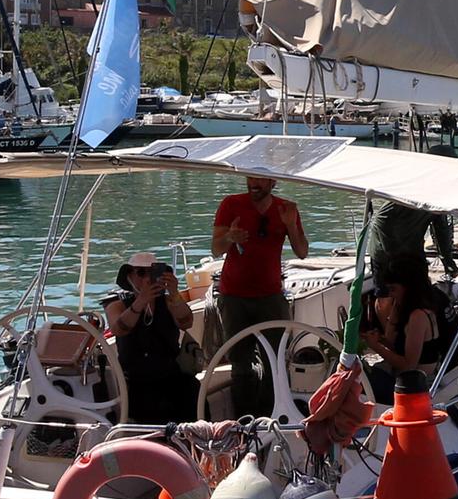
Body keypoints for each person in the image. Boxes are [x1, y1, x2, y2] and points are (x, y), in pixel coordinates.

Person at [211, 173, 309, 416]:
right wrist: (230, 238)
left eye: (261, 179)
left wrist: (290, 225)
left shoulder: (286, 208)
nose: (254, 183)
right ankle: (245, 422)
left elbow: (302, 252)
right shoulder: (231, 204)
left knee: (275, 361)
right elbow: (215, 249)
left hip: (270, 296)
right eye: (250, 177)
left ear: (273, 181)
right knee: (240, 364)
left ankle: (272, 417)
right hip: (234, 295)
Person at [105, 251, 199, 422]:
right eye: (141, 273)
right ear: (130, 276)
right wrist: (141, 301)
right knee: (149, 403)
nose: (147, 278)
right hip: (135, 378)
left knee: (191, 389)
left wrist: (174, 293)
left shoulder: (169, 302)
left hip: (170, 374)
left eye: (152, 273)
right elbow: (119, 329)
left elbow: (186, 322)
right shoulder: (116, 305)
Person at [360, 272, 450, 404]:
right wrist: (381, 340)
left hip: (416, 388)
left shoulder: (418, 316)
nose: (390, 294)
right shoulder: (418, 310)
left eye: (393, 289)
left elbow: (408, 365)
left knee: (357, 381)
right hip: (408, 379)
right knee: (360, 374)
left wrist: (375, 347)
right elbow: (406, 350)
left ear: (408, 289)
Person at [363, 198, 458, 292]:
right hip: (384, 252)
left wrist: (448, 264)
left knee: (420, 292)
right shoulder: (404, 197)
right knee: (386, 294)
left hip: (412, 250)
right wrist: (396, 258)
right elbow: (382, 219)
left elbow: (442, 234)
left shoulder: (439, 203)